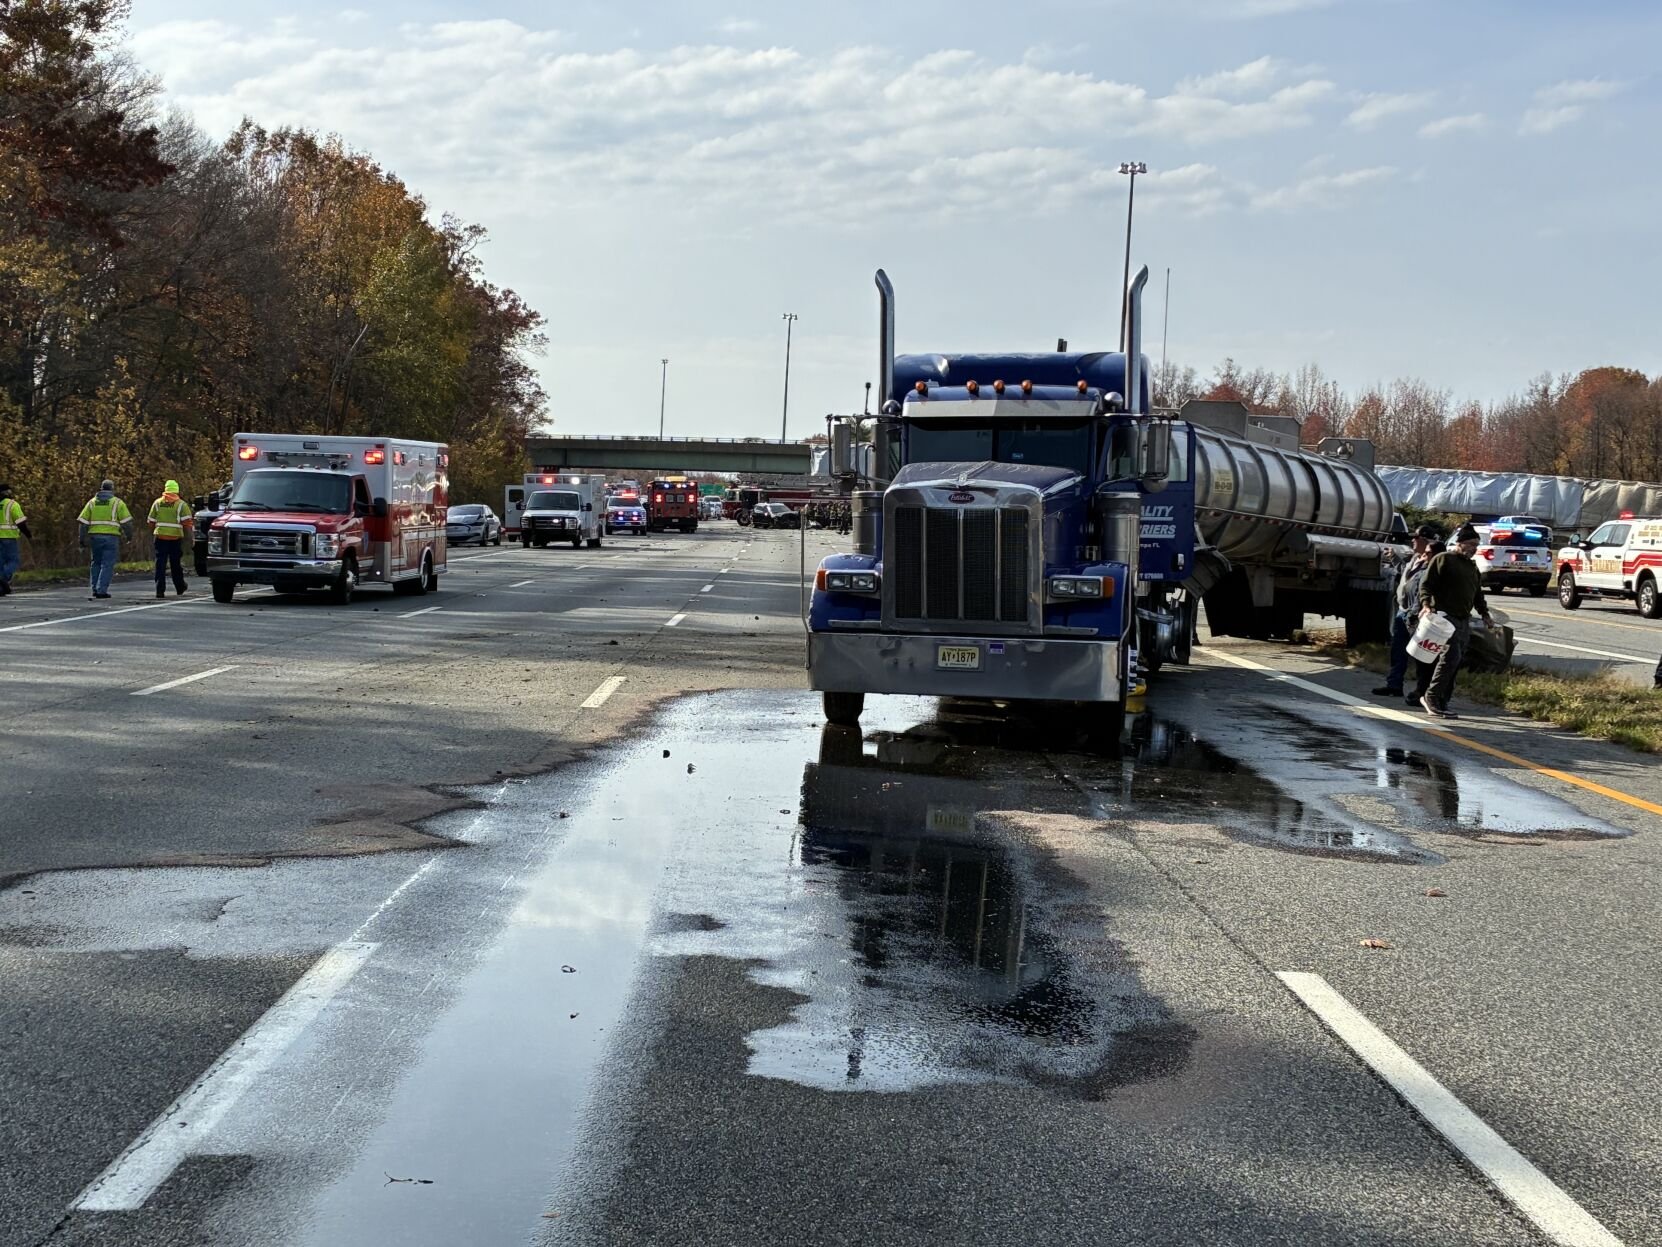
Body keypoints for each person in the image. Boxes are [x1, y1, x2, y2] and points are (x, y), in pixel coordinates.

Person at [1413, 524, 1494, 719]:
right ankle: (1430, 697)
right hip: (1443, 618)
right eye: (1471, 544)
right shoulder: (1444, 559)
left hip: (1463, 619)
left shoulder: (1472, 567)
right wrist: (1426, 604)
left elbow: (1477, 594)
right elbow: (1426, 584)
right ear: (1460, 543)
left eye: (1477, 544)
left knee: (1455, 662)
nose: (1474, 548)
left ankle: (1442, 700)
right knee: (1450, 658)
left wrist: (1484, 613)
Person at [1374, 523, 1440, 698]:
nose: (1412, 540)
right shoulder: (1414, 558)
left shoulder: (1432, 562)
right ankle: (1394, 685)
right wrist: (1395, 559)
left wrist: (1418, 611)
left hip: (1416, 614)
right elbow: (1406, 573)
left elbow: (1424, 588)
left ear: (1425, 540)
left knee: (1419, 654)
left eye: (1416, 537)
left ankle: (1421, 691)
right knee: (1398, 650)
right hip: (1403, 611)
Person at [78, 479, 134, 600]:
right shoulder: (118, 503)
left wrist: (81, 539)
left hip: (95, 537)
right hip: (111, 537)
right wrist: (129, 536)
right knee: (107, 564)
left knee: (96, 563)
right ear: (112, 489)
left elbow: (82, 524)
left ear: (101, 488)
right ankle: (101, 590)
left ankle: (94, 588)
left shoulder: (92, 503)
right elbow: (127, 523)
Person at [148, 478, 193, 598]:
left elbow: (151, 521)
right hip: (175, 538)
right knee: (175, 564)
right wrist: (191, 539)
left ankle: (159, 590)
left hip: (160, 537)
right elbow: (187, 524)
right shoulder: (181, 505)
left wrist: (155, 531)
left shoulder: (157, 503)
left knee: (160, 564)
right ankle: (180, 587)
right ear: (177, 491)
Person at [0, 483, 31, 596]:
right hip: (9, 537)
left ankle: (3, 588)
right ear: (7, 492)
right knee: (14, 561)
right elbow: (20, 523)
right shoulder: (12, 504)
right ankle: (2, 579)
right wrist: (28, 534)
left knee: (1, 562)